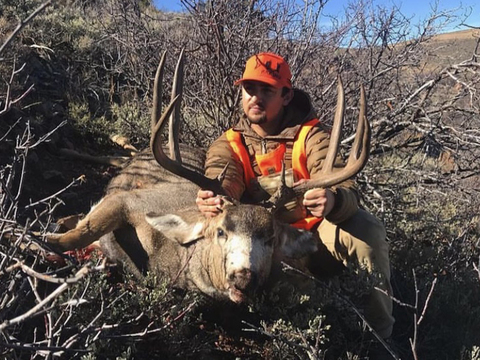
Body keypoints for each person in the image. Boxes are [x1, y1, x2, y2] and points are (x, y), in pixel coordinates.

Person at [195, 52, 395, 342]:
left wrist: (334, 200)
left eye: (267, 90)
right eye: (250, 89)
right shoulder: (229, 144)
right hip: (262, 247)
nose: (256, 97)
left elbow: (348, 187)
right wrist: (214, 198)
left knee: (368, 232)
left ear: (287, 96)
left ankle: (381, 337)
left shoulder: (313, 136)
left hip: (313, 241)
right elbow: (221, 176)